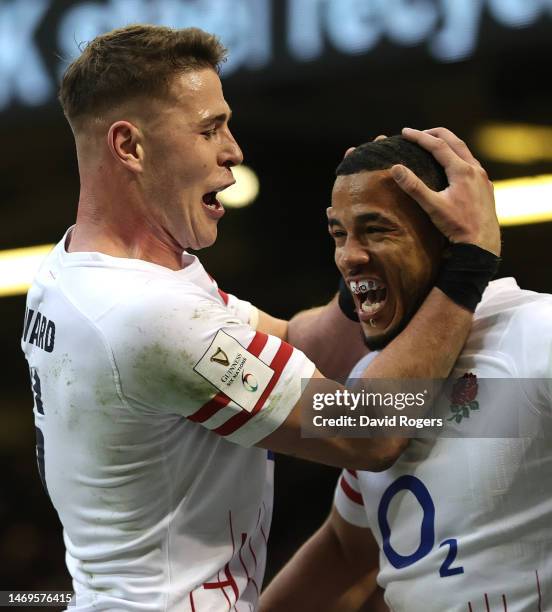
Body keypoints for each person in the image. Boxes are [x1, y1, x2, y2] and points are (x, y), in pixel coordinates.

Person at [20, 24, 500, 611]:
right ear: (130, 147)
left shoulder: (75, 271)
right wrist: (469, 262)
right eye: (210, 129)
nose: (234, 150)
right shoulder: (147, 316)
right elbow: (369, 429)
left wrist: (366, 264)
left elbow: (299, 343)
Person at [259, 135, 552, 612]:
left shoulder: (538, 333)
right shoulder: (369, 380)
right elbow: (344, 546)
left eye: (376, 230)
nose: (348, 256)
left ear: (446, 234)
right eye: (339, 234)